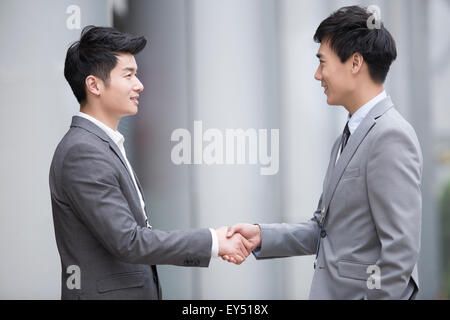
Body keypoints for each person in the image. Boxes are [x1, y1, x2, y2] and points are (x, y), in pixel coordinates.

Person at [225, 6, 423, 300]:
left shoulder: (390, 136)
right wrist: (262, 236)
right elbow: (324, 229)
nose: (318, 75)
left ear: (355, 62)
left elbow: (400, 252)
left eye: (322, 62)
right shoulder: (350, 134)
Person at [49, 25, 251, 300]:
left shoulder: (101, 145)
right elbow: (129, 241)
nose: (139, 84)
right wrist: (214, 241)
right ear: (94, 84)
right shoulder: (83, 152)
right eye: (128, 75)